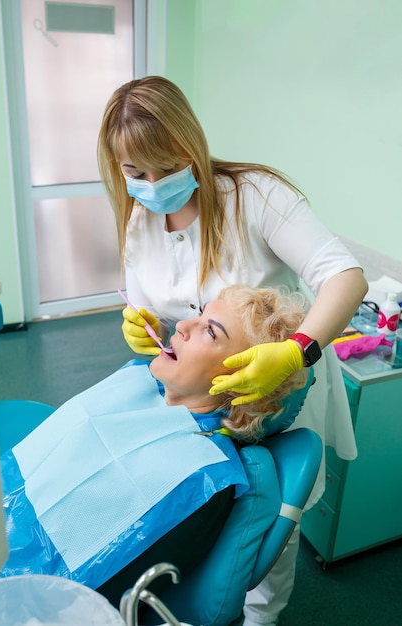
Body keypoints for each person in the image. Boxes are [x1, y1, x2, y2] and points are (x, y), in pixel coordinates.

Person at [97, 75, 369, 625]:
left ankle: (262, 616)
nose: (151, 183)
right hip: (202, 399)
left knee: (270, 528)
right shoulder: (138, 220)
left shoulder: (255, 196)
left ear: (190, 143)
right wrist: (139, 327)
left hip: (277, 391)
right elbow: (151, 310)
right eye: (135, 172)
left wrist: (296, 352)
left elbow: (345, 277)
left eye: (165, 165)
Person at [0, 285, 312, 612]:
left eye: (210, 332)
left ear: (246, 383)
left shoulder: (202, 479)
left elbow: (88, 593)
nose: (183, 326)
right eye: (200, 314)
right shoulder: (137, 381)